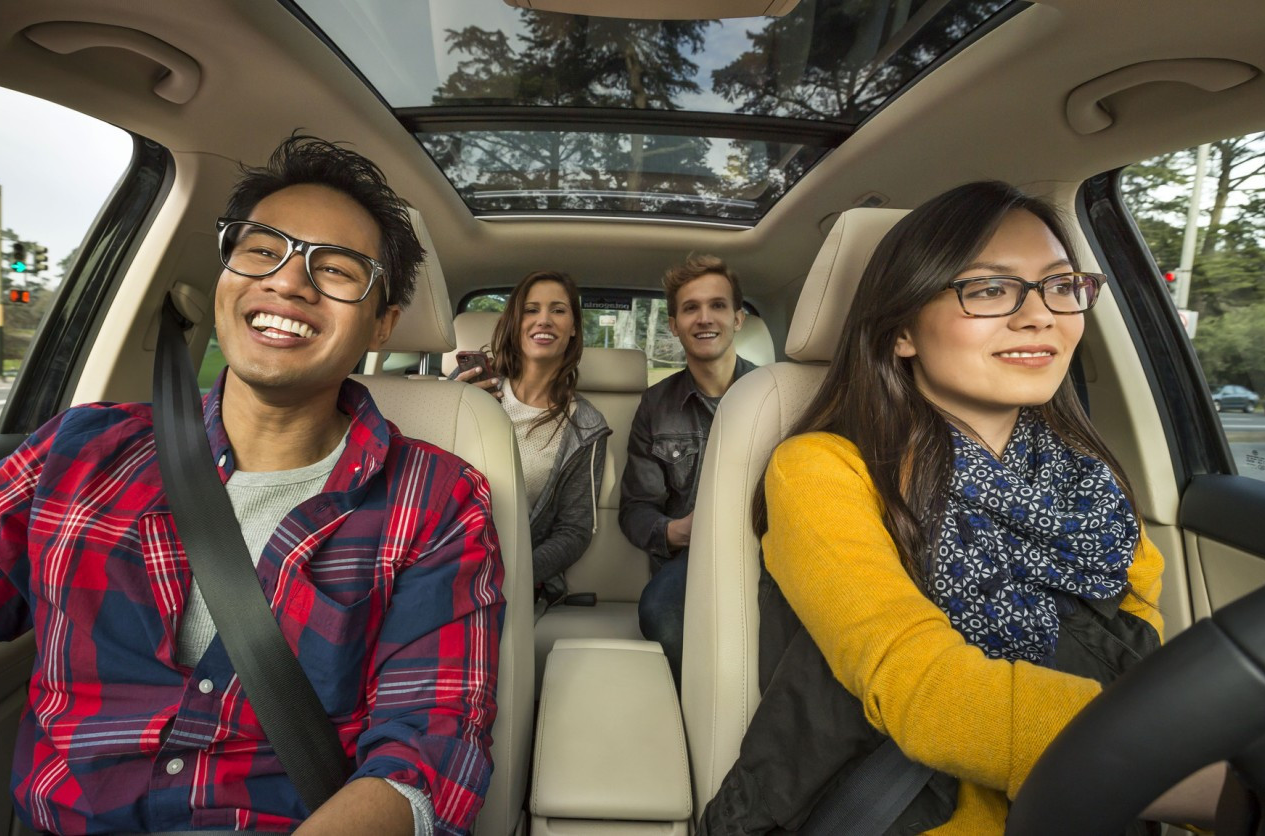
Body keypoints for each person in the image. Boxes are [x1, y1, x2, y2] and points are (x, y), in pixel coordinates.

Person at [0, 135, 506, 836]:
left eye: (339, 268)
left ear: (381, 322)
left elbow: (428, 752)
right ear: (226, 273)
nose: (288, 281)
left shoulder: (436, 500)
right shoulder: (75, 455)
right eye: (263, 250)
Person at [703, 182, 1221, 833]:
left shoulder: (1094, 485)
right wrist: (1217, 782)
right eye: (989, 289)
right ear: (901, 332)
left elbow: (1141, 658)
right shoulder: (823, 469)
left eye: (1061, 286)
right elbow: (927, 692)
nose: (1040, 316)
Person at [619, 254, 755, 685]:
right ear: (674, 325)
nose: (704, 318)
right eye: (690, 308)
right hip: (691, 561)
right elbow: (636, 508)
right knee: (659, 610)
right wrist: (679, 531)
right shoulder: (655, 405)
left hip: (772, 554)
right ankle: (694, 713)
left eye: (717, 305)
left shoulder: (773, 392)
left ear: (738, 319)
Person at [455, 271, 608, 611]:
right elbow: (420, 477)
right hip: (438, 554)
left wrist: (511, 574)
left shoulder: (587, 426)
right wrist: (455, 406)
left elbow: (574, 531)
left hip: (507, 579)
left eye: (558, 310)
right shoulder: (470, 388)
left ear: (573, 330)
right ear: (515, 323)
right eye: (531, 309)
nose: (544, 320)